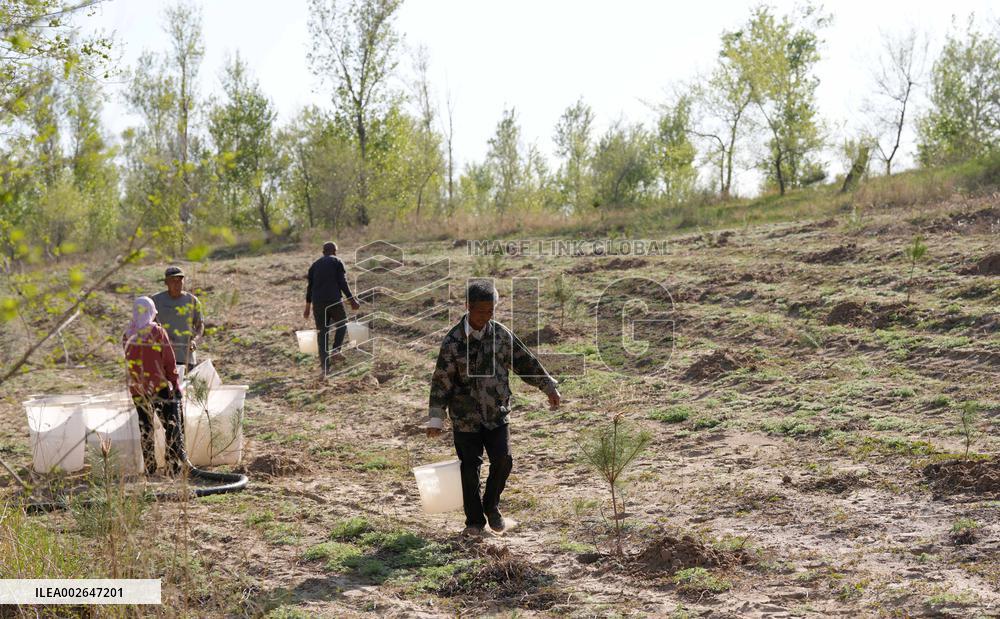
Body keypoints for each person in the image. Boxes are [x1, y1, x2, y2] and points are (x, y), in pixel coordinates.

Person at [426, 280, 561, 536]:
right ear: (468, 307)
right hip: (465, 416)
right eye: (481, 311)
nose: (486, 316)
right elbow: (441, 381)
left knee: (503, 460)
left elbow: (525, 362)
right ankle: (474, 522)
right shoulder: (453, 341)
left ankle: (492, 506)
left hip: (497, 413)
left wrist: (548, 386)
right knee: (470, 467)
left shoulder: (500, 334)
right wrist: (436, 417)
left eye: (491, 311)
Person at [122, 296, 186, 476]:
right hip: (158, 387)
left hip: (137, 389)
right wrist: (174, 382)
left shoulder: (127, 335)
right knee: (171, 426)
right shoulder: (157, 332)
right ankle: (172, 468)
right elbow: (169, 360)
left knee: (146, 427)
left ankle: (149, 468)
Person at [304, 241, 360, 376]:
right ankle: (336, 350)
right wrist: (351, 300)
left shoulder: (314, 266)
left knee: (322, 333)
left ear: (323, 252)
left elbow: (310, 288)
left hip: (318, 303)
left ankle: (325, 368)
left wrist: (307, 307)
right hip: (333, 300)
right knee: (342, 323)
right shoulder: (337, 261)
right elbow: (342, 282)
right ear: (335, 251)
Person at [151, 266, 204, 371]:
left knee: (184, 386)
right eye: (173, 281)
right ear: (166, 283)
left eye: (180, 280)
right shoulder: (156, 300)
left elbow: (200, 325)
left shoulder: (192, 300)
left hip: (186, 357)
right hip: (162, 357)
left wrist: (195, 341)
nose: (177, 284)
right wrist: (163, 339)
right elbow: (149, 326)